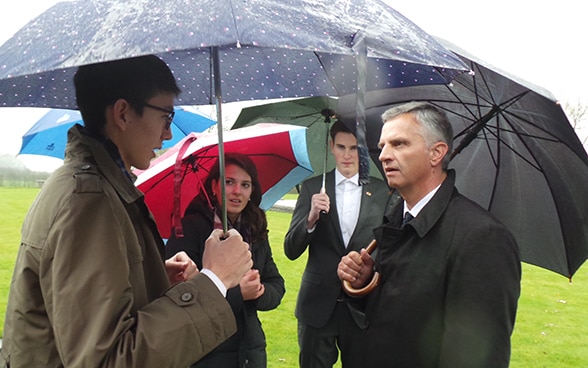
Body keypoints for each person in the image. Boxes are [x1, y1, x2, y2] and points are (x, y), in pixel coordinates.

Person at [0, 55, 253, 368]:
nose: (168, 134)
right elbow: (108, 358)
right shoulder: (88, 201)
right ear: (122, 113)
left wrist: (151, 277)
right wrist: (214, 279)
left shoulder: (94, 186)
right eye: (165, 116)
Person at [337, 101, 521, 367]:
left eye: (399, 144)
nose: (383, 155)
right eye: (382, 146)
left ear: (436, 153)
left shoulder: (482, 237)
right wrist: (365, 285)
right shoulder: (395, 221)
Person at [284, 119, 391, 368]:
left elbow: (388, 249)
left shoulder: (382, 192)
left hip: (361, 306)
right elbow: (290, 249)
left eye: (354, 148)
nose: (346, 155)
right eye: (341, 147)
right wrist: (310, 219)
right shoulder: (312, 188)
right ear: (331, 146)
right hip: (316, 306)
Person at [166, 152, 285, 368]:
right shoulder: (189, 229)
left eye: (245, 185)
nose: (237, 191)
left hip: (250, 349)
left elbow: (276, 285)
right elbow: (179, 300)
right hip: (205, 353)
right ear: (213, 186)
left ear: (252, 191)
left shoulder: (255, 229)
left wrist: (259, 292)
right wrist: (240, 293)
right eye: (229, 182)